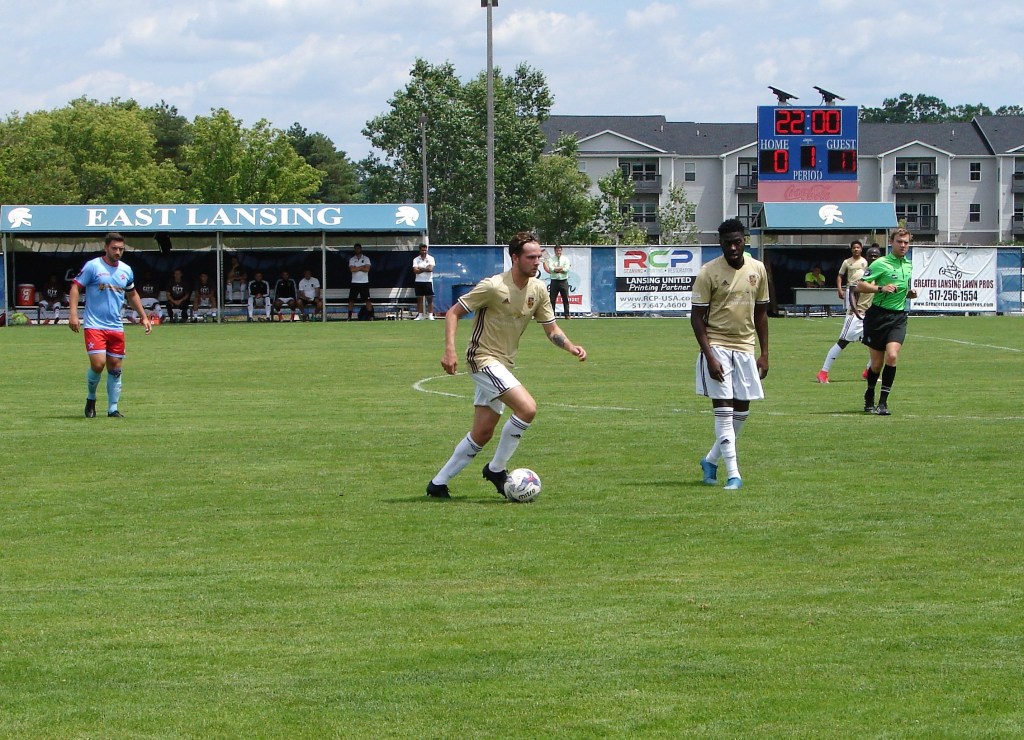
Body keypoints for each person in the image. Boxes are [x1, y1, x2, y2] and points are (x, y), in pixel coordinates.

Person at [426, 231, 587, 499]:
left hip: (503, 364)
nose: (537, 262)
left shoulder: (538, 289)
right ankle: (497, 469)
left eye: (539, 257)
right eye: (531, 257)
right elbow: (454, 312)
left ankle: (438, 483)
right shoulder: (493, 286)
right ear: (515, 258)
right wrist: (449, 350)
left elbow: (551, 329)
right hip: (482, 359)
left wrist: (570, 346)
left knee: (482, 433)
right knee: (527, 408)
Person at [691, 218, 769, 491]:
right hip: (717, 346)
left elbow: (761, 313)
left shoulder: (757, 269)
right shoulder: (708, 272)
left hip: (746, 348)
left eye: (737, 242)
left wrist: (765, 353)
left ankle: (710, 460)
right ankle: (734, 474)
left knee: (741, 412)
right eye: (727, 243)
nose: (733, 248)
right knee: (724, 412)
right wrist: (709, 356)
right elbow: (696, 318)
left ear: (744, 240)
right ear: (720, 243)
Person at [68, 232, 152, 418]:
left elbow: (132, 294)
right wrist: (73, 314)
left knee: (115, 368)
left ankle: (113, 408)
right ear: (106, 247)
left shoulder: (126, 270)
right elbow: (75, 287)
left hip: (116, 326)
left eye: (121, 249)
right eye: (114, 248)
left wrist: (144, 317)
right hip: (94, 325)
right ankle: (91, 398)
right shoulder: (93, 266)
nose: (118, 252)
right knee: (98, 364)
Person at [857, 228, 918, 416]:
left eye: (906, 242)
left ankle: (883, 403)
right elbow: (860, 285)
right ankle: (869, 393)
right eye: (899, 242)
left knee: (892, 356)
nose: (903, 245)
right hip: (878, 317)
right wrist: (881, 288)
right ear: (891, 242)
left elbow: (902, 288)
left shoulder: (908, 265)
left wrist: (909, 294)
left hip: (898, 317)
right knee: (876, 364)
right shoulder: (880, 263)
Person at [816, 241, 879, 383]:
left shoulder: (879, 273)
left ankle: (868, 371)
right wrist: (855, 312)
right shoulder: (864, 273)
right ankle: (823, 372)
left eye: (876, 256)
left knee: (879, 344)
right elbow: (852, 292)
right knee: (843, 342)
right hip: (858, 315)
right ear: (867, 257)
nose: (873, 258)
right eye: (871, 256)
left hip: (871, 316)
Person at [544, 245, 572, 320]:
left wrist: (556, 269)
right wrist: (560, 268)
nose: (558, 252)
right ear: (554, 251)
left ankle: (567, 315)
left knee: (565, 299)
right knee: (552, 299)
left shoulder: (565, 259)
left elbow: (566, 269)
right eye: (557, 250)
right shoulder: (551, 259)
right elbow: (551, 269)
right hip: (554, 281)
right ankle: (552, 315)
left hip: (563, 281)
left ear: (561, 251)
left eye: (559, 250)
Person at [348, 243, 373, 320]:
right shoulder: (352, 259)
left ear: (361, 249)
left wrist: (357, 268)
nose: (357, 250)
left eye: (358, 248)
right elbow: (352, 269)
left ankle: (371, 317)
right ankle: (349, 317)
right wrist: (362, 267)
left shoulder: (366, 258)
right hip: (354, 283)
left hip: (364, 282)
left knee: (367, 300)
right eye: (355, 249)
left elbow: (367, 269)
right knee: (351, 300)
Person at [412, 243, 436, 320]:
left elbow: (430, 269)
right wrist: (425, 268)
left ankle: (430, 315)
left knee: (430, 299)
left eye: (425, 250)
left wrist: (420, 268)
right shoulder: (416, 259)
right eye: (422, 250)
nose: (424, 252)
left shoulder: (431, 258)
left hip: (428, 281)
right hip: (418, 281)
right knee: (419, 299)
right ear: (420, 250)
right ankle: (420, 315)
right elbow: (415, 271)